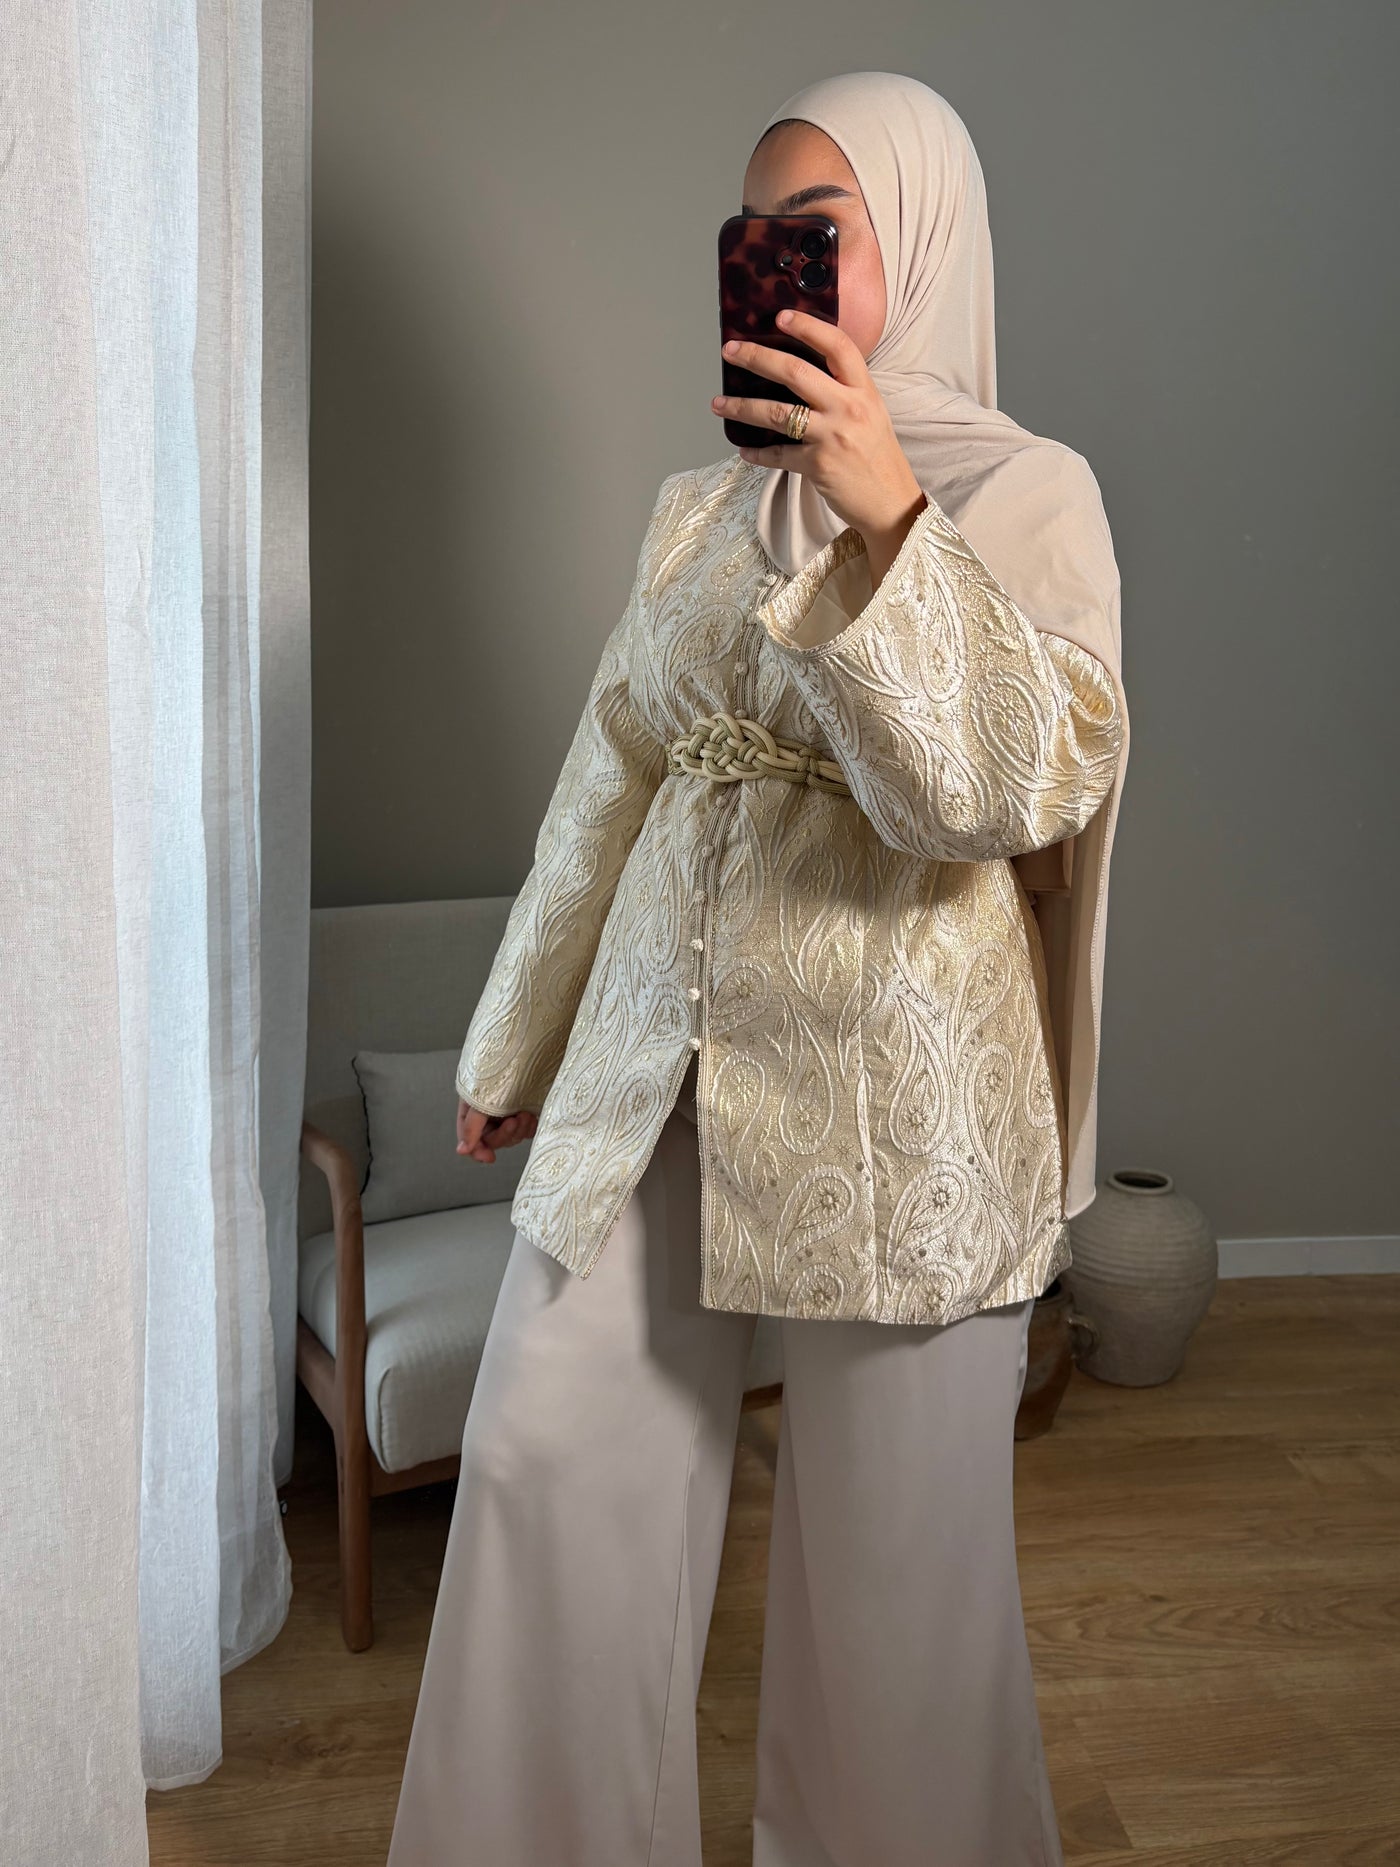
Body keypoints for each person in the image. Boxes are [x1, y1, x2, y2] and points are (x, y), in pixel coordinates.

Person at [386, 69, 1128, 1867]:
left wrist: (891, 522)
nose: (767, 259)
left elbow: (1008, 790)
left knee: (895, 1594)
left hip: (903, 1089)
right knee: (542, 1467)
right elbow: (611, 770)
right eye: (749, 231)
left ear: (919, 246)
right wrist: (517, 1037)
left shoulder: (1028, 492)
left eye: (818, 230)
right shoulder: (695, 512)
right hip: (660, 1050)